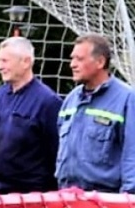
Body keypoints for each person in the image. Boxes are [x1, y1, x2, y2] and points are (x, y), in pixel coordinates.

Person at [55, 33, 135, 193]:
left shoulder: (127, 99)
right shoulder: (70, 100)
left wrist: (127, 201)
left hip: (105, 202)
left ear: (100, 62)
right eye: (72, 58)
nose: (72, 64)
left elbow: (132, 155)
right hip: (68, 198)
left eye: (80, 59)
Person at [0, 36, 60, 193]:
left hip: (29, 195)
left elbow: (56, 153)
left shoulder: (48, 102)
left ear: (26, 62)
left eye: (5, 61)